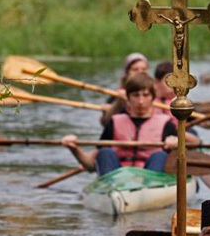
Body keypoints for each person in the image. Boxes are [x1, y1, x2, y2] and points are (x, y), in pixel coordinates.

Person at [62, 72, 200, 176]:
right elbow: (91, 165)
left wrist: (178, 145)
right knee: (105, 152)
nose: (140, 101)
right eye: (136, 95)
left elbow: (195, 144)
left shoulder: (165, 124)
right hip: (117, 181)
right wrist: (74, 148)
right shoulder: (114, 122)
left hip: (151, 180)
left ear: (153, 98)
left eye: (145, 95)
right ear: (128, 98)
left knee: (160, 156)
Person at [100, 52, 151, 125]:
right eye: (135, 69)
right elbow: (105, 122)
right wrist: (118, 104)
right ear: (127, 72)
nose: (140, 72)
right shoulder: (116, 95)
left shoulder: (154, 92)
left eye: (144, 69)